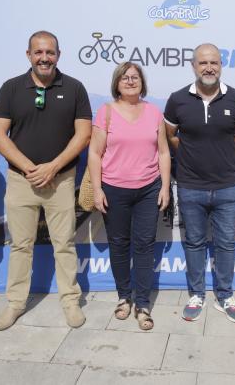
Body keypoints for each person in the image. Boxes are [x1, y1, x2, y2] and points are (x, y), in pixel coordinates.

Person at [0, 30, 91, 330]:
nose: (44, 58)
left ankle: (70, 301)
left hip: (61, 181)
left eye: (50, 52)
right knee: (21, 245)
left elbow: (83, 134)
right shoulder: (11, 88)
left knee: (64, 243)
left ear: (58, 55)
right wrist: (30, 168)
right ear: (29, 55)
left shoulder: (74, 88)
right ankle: (15, 303)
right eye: (38, 52)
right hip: (21, 181)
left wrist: (53, 167)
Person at [164, 43, 235, 322]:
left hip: (226, 186)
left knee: (226, 244)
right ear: (193, 66)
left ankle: (225, 296)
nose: (209, 68)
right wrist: (191, 155)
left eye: (214, 62)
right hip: (190, 186)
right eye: (203, 63)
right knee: (194, 243)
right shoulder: (177, 99)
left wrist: (220, 155)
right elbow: (171, 135)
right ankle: (197, 294)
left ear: (221, 65)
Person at [88, 62, 171, 331]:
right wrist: (98, 189)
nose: (130, 81)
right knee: (119, 244)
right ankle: (124, 297)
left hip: (148, 189)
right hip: (114, 189)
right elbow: (94, 153)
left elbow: (163, 152)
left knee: (145, 245)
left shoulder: (154, 112)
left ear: (142, 82)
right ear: (117, 83)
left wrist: (165, 187)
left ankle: (143, 304)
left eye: (135, 77)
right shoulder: (106, 112)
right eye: (124, 77)